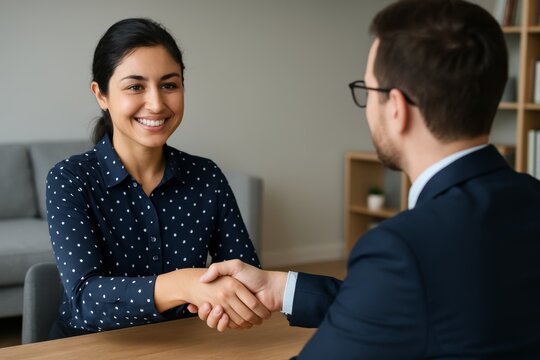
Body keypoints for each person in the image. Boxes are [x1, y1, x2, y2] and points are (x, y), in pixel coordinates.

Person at [189, 0, 540, 358]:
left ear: (397, 109)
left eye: (368, 91)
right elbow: (407, 309)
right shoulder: (530, 197)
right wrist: (283, 288)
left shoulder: (404, 248)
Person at [45, 18, 270, 339]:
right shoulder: (70, 178)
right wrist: (185, 284)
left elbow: (247, 276)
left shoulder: (207, 176)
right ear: (101, 95)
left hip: (187, 341)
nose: (156, 103)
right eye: (135, 86)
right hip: (90, 345)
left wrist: (230, 299)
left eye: (169, 84)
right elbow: (86, 301)